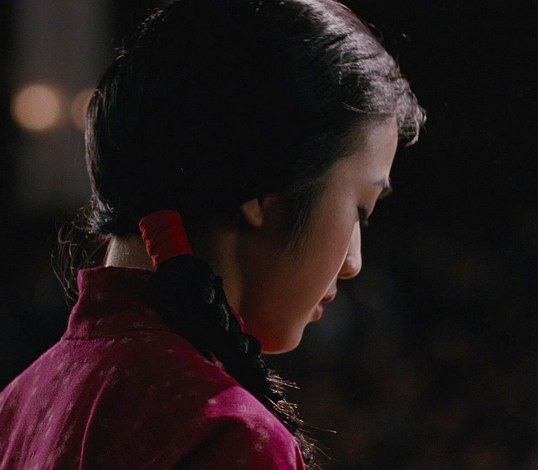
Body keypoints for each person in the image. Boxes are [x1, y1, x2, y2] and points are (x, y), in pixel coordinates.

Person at [0, 0, 424, 468]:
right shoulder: (226, 433)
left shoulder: (18, 406)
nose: (353, 263)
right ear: (263, 188)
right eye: (360, 209)